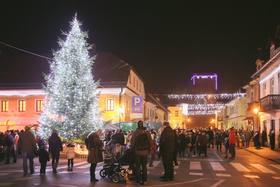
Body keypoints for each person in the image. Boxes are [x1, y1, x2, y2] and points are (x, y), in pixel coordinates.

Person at [131, 121, 152, 185]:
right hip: (145, 152)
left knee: (137, 167)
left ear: (137, 125)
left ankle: (138, 181)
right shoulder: (146, 132)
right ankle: (145, 180)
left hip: (137, 152)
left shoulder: (136, 132)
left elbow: (132, 142)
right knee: (144, 166)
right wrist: (149, 149)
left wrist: (132, 150)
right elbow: (150, 141)